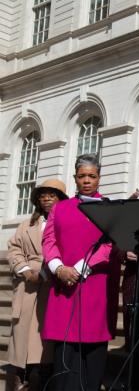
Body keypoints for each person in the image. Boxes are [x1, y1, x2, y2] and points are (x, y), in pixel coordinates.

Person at [42, 154, 123, 391]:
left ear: (99, 178)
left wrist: (79, 269)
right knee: (65, 353)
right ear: (75, 178)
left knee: (93, 349)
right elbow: (49, 240)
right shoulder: (60, 208)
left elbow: (110, 243)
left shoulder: (110, 207)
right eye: (82, 176)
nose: (87, 180)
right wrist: (58, 268)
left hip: (96, 285)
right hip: (64, 286)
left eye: (92, 176)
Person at [7, 179, 67, 391]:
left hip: (53, 283)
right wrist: (24, 269)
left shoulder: (65, 221)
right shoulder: (27, 224)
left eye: (52, 194)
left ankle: (42, 377)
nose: (47, 199)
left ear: (61, 199)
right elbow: (14, 248)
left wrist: (47, 271)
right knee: (23, 333)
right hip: (28, 286)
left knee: (43, 339)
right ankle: (19, 377)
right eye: (43, 195)